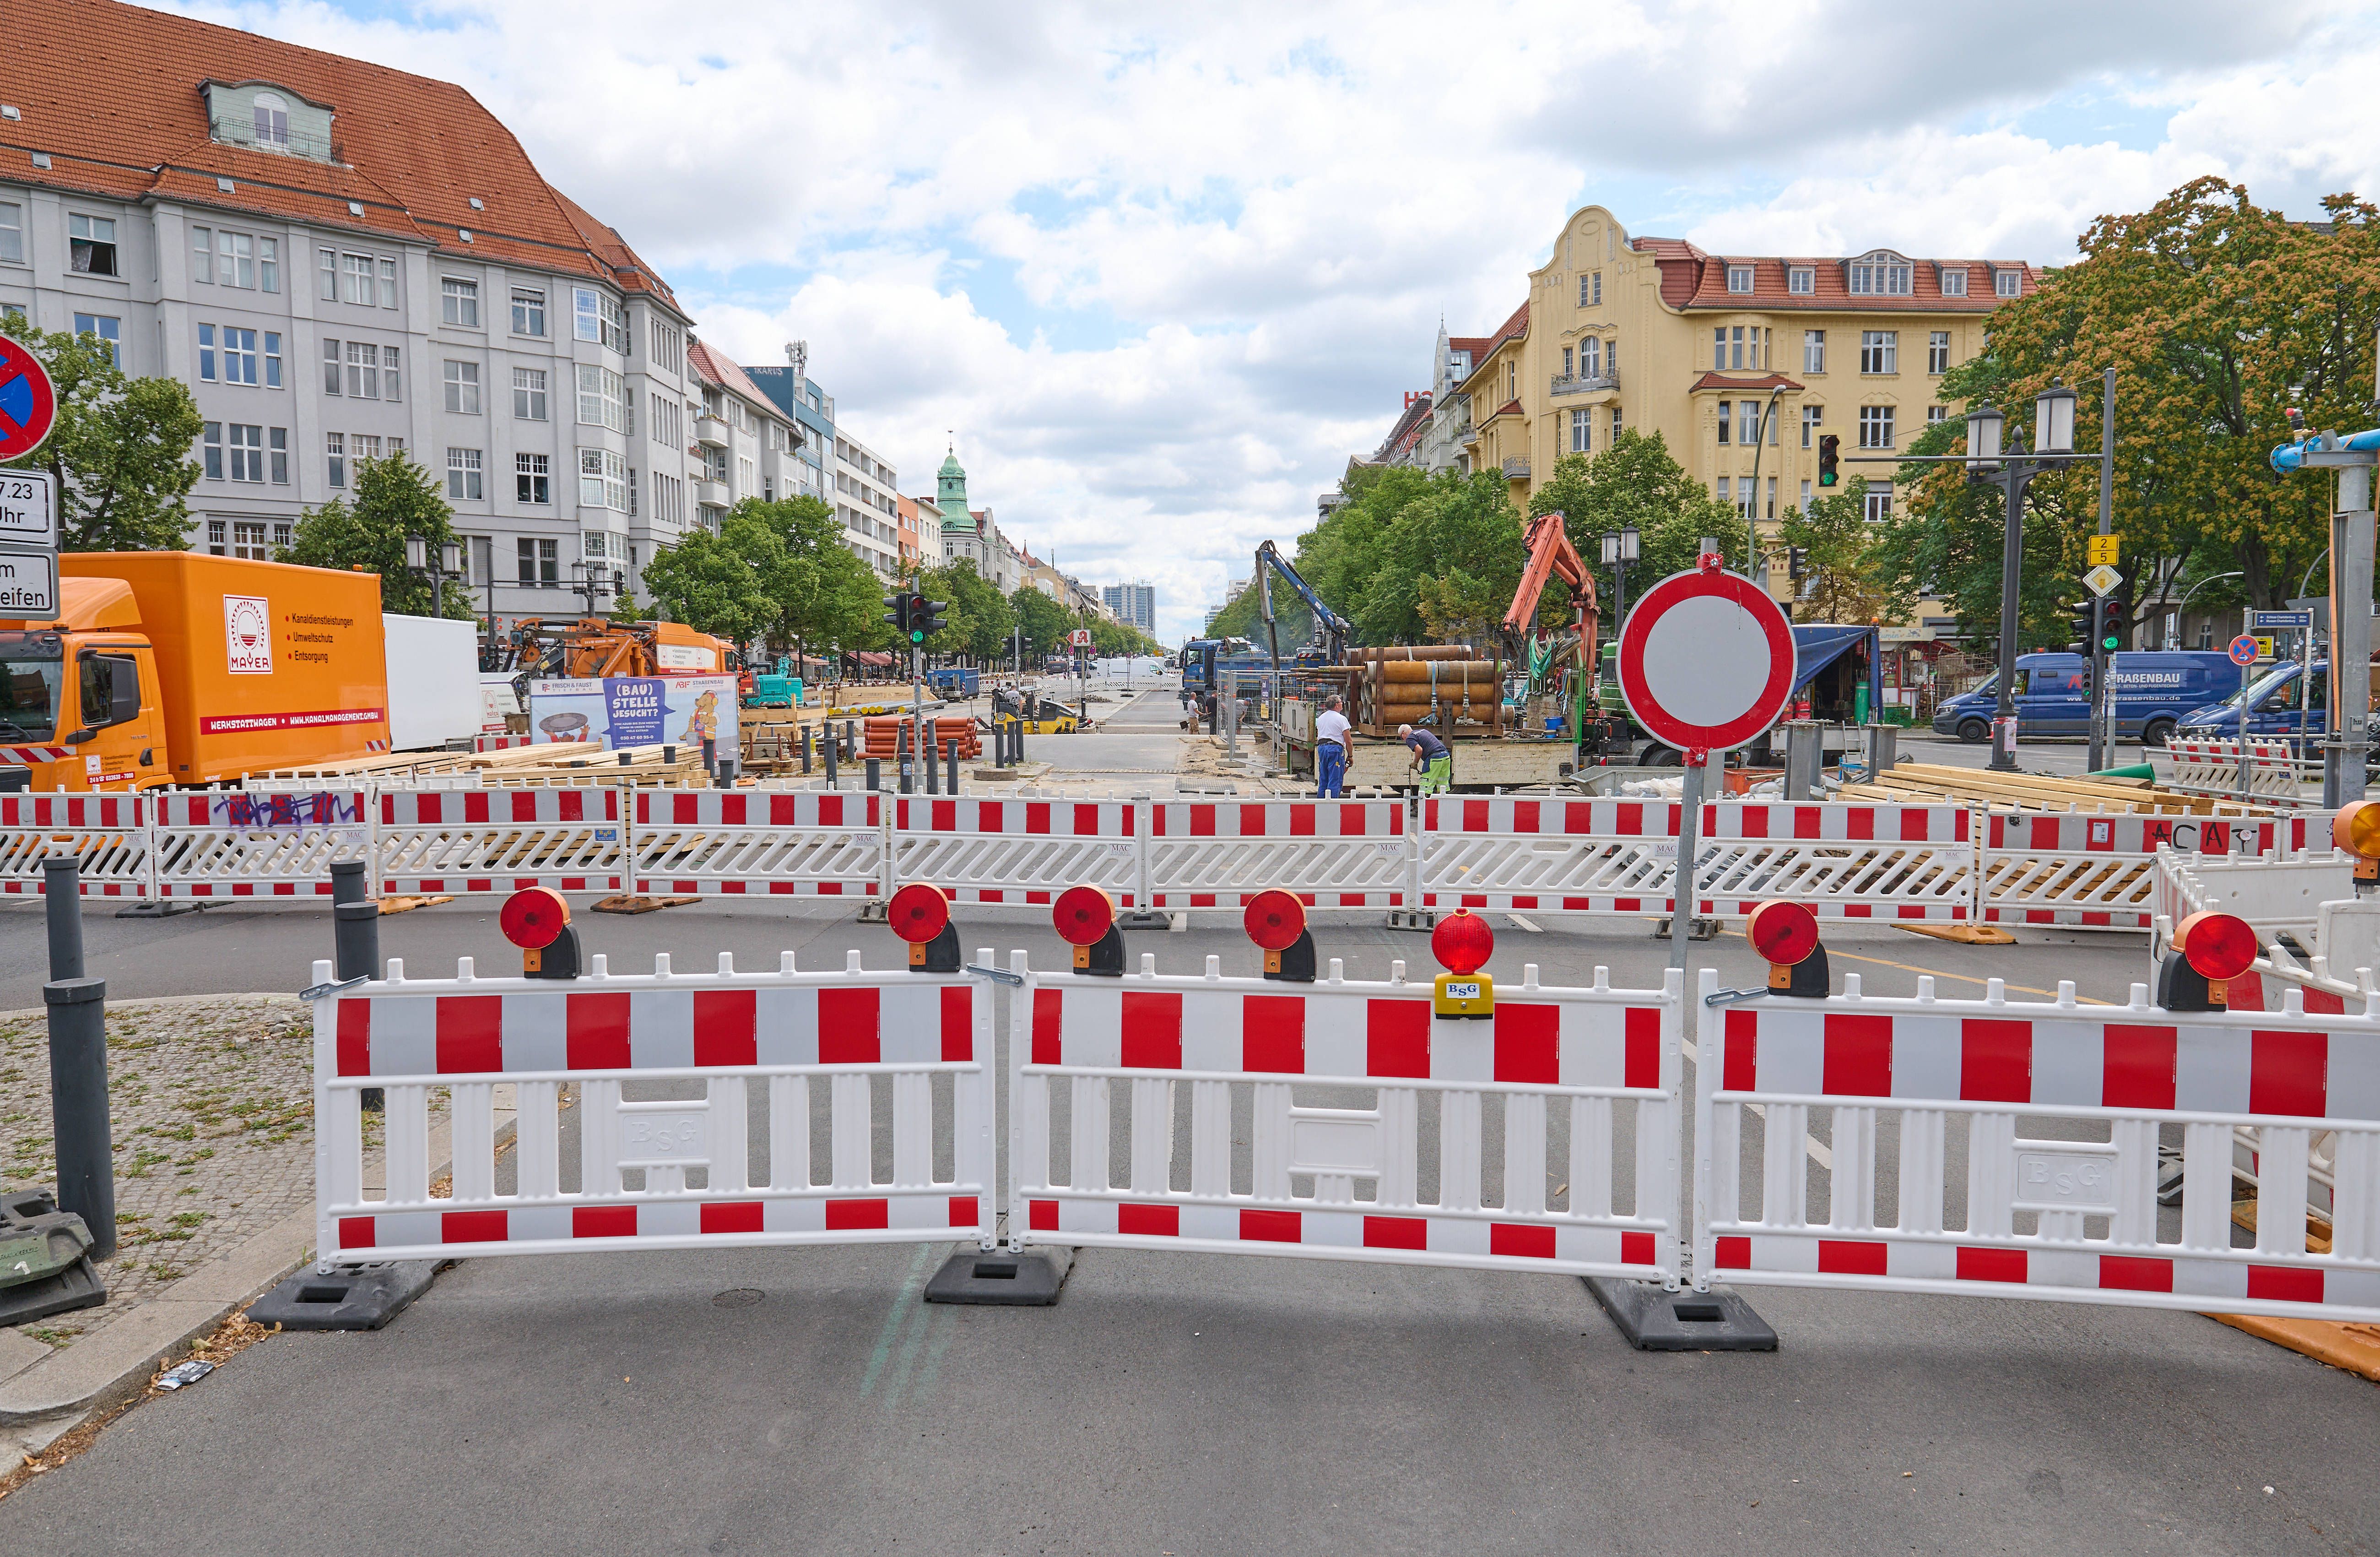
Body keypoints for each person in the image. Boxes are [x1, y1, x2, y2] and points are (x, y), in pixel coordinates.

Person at [1400, 722, 1451, 795]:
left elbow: (1419, 750)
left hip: (1434, 758)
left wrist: (1415, 763)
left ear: (1403, 733)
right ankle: (1443, 803)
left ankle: (1424, 804)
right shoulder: (1423, 731)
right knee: (1443, 784)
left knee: (1426, 785)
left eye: (1401, 738)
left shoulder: (1410, 738)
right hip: (1446, 756)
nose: (1403, 740)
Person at [1314, 695, 1351, 797]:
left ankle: (1321, 806)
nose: (1342, 704)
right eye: (1341, 702)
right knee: (1335, 780)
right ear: (1336, 705)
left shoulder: (1321, 718)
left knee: (1324, 779)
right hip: (1335, 749)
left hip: (1322, 748)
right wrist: (1350, 756)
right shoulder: (1341, 719)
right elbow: (1349, 741)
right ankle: (1332, 808)